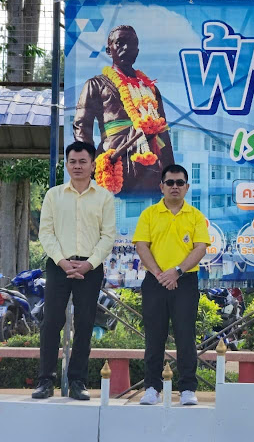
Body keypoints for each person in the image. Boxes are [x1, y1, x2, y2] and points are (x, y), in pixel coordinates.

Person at [33, 141, 116, 400]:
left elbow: (108, 236)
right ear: (67, 165)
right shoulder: (53, 195)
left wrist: (89, 263)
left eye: (83, 161)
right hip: (59, 266)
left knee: (85, 323)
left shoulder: (104, 197)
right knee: (51, 322)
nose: (77, 166)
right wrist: (62, 261)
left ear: (92, 165)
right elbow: (46, 233)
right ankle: (45, 381)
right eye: (72, 161)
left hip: (90, 268)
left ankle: (78, 381)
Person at [133, 164, 210, 406]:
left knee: (185, 335)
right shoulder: (149, 214)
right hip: (155, 280)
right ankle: (152, 388)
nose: (174, 187)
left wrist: (176, 271)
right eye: (170, 182)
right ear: (161, 186)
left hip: (184, 281)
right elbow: (142, 246)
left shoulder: (195, 216)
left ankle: (187, 388)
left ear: (187, 187)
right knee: (154, 337)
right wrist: (159, 274)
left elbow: (200, 248)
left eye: (179, 183)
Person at [73, 25, 174, 194]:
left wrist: (170, 173)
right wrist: (89, 166)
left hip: (151, 166)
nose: (127, 47)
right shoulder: (96, 84)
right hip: (114, 163)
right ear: (108, 50)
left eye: (132, 43)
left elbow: (163, 133)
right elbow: (82, 127)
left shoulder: (150, 88)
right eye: (120, 43)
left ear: (137, 51)